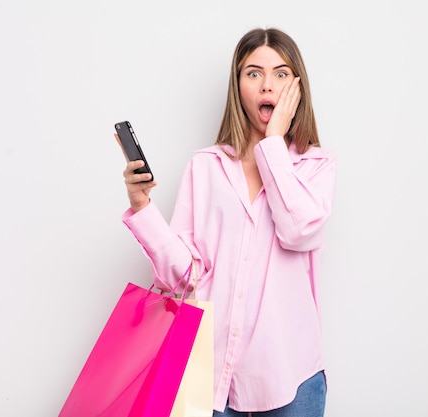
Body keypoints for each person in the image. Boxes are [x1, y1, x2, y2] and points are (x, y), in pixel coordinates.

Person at [118, 27, 337, 417]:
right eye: (253, 73)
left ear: (297, 88)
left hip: (291, 375)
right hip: (209, 371)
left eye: (281, 74)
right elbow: (184, 277)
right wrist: (142, 208)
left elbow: (298, 230)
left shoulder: (315, 166)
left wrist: (273, 144)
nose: (267, 84)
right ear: (238, 86)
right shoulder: (205, 166)